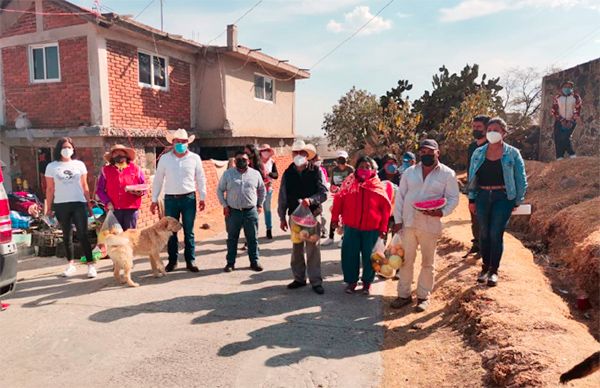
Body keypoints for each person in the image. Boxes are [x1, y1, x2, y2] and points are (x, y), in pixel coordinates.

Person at [390, 139, 460, 312]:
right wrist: (397, 221)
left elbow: (453, 198)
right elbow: (400, 198)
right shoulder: (409, 173)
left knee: (428, 263)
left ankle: (423, 296)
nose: (426, 155)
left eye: (430, 152)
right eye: (423, 152)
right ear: (419, 153)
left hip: (430, 224)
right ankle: (403, 295)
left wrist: (441, 212)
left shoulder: (447, 174)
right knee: (406, 261)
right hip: (408, 223)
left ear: (438, 153)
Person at [468, 117, 527, 287]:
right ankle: (485, 268)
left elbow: (520, 178)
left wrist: (517, 199)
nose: (492, 133)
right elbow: (473, 177)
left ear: (504, 133)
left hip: (503, 197)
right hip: (483, 196)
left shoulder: (512, 153)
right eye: (489, 130)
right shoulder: (478, 153)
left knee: (496, 233)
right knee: (484, 233)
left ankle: (494, 271)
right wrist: (472, 198)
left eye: (496, 130)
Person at [331, 156, 393, 295]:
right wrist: (335, 219)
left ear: (372, 170)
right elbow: (338, 200)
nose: (364, 169)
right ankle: (351, 282)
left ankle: (367, 283)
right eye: (361, 167)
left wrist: (383, 228)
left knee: (370, 257)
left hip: (372, 229)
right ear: (356, 168)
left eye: (367, 167)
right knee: (349, 256)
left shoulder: (377, 186)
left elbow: (385, 209)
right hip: (351, 227)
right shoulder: (348, 183)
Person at [151, 129, 206, 273]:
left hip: (189, 198)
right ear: (172, 143)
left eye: (183, 142)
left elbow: (200, 178)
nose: (180, 144)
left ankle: (190, 260)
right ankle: (172, 261)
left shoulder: (194, 158)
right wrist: (154, 199)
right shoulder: (165, 159)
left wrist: (203, 197)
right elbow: (158, 179)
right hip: (170, 199)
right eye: (177, 141)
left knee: (189, 231)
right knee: (171, 232)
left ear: (188, 143)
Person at [278, 140, 328, 295]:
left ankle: (316, 281)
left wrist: (311, 200)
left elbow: (324, 193)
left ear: (307, 155)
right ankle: (299, 278)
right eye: (296, 153)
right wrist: (281, 217)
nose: (298, 155)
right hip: (295, 216)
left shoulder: (316, 171)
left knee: (313, 249)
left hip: (312, 215)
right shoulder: (288, 172)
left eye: (302, 153)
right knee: (297, 248)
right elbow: (283, 196)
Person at [44, 137, 95, 278]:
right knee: (67, 236)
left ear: (73, 149)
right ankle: (70, 264)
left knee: (83, 234)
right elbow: (49, 188)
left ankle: (90, 265)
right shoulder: (52, 166)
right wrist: (48, 207)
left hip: (78, 203)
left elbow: (85, 186)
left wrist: (88, 203)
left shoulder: (79, 165)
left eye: (69, 147)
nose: (66, 150)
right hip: (61, 204)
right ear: (59, 149)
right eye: (64, 147)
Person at [218, 150, 266, 272]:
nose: (241, 161)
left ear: (249, 161)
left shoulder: (255, 174)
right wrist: (224, 205)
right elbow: (220, 190)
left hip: (250, 211)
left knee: (252, 238)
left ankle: (255, 262)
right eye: (238, 159)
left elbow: (262, 190)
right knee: (232, 238)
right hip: (233, 212)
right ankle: (230, 263)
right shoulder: (228, 174)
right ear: (234, 161)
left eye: (244, 159)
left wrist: (260, 204)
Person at [96, 144, 146, 231]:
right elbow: (100, 190)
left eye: (121, 152)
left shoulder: (136, 169)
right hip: (114, 209)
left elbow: (144, 186)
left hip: (131, 209)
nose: (119, 155)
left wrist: (140, 192)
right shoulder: (106, 170)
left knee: (129, 237)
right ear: (112, 157)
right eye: (116, 153)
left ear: (126, 155)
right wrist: (107, 202)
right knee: (116, 237)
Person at [465, 115, 490, 256]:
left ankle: (485, 247)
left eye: (479, 127)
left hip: (489, 188)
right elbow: (470, 169)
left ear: (487, 129)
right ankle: (477, 244)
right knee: (474, 217)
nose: (476, 129)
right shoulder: (472, 147)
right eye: (474, 127)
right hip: (474, 187)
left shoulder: (493, 146)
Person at [323, 150, 354, 246]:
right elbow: (332, 183)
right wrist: (333, 188)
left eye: (343, 159)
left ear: (346, 159)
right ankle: (331, 237)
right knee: (334, 215)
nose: (341, 161)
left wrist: (345, 189)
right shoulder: (334, 170)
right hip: (337, 196)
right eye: (339, 159)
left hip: (348, 197)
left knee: (345, 217)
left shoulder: (351, 170)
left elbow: (354, 183)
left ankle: (343, 238)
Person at [552, 81, 582, 160]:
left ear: (572, 89)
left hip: (571, 121)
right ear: (562, 88)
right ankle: (559, 158)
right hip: (559, 121)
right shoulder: (557, 97)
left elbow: (577, 109)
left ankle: (572, 155)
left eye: (569, 87)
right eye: (565, 87)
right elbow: (554, 110)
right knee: (558, 139)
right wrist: (562, 120)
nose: (567, 88)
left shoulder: (576, 97)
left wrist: (571, 121)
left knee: (565, 138)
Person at [259, 144, 278, 240]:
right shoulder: (257, 163)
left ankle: (269, 229)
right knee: (255, 210)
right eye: (264, 150)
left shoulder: (272, 162)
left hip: (268, 188)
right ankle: (253, 230)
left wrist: (269, 174)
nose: (265, 152)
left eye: (267, 150)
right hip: (257, 189)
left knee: (267, 210)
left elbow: (276, 175)